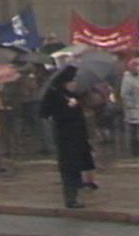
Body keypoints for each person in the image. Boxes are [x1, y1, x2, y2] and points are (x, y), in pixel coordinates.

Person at [40, 65, 95, 209]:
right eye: (73, 81)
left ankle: (75, 194)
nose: (75, 83)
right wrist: (66, 108)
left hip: (78, 137)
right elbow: (46, 113)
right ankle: (70, 198)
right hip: (66, 137)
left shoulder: (73, 95)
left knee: (77, 166)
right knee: (69, 168)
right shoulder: (56, 95)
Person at [121, 58, 139, 156]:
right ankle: (135, 150)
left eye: (137, 66)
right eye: (133, 66)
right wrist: (131, 105)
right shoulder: (127, 79)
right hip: (133, 108)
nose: (136, 68)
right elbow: (124, 94)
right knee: (134, 130)